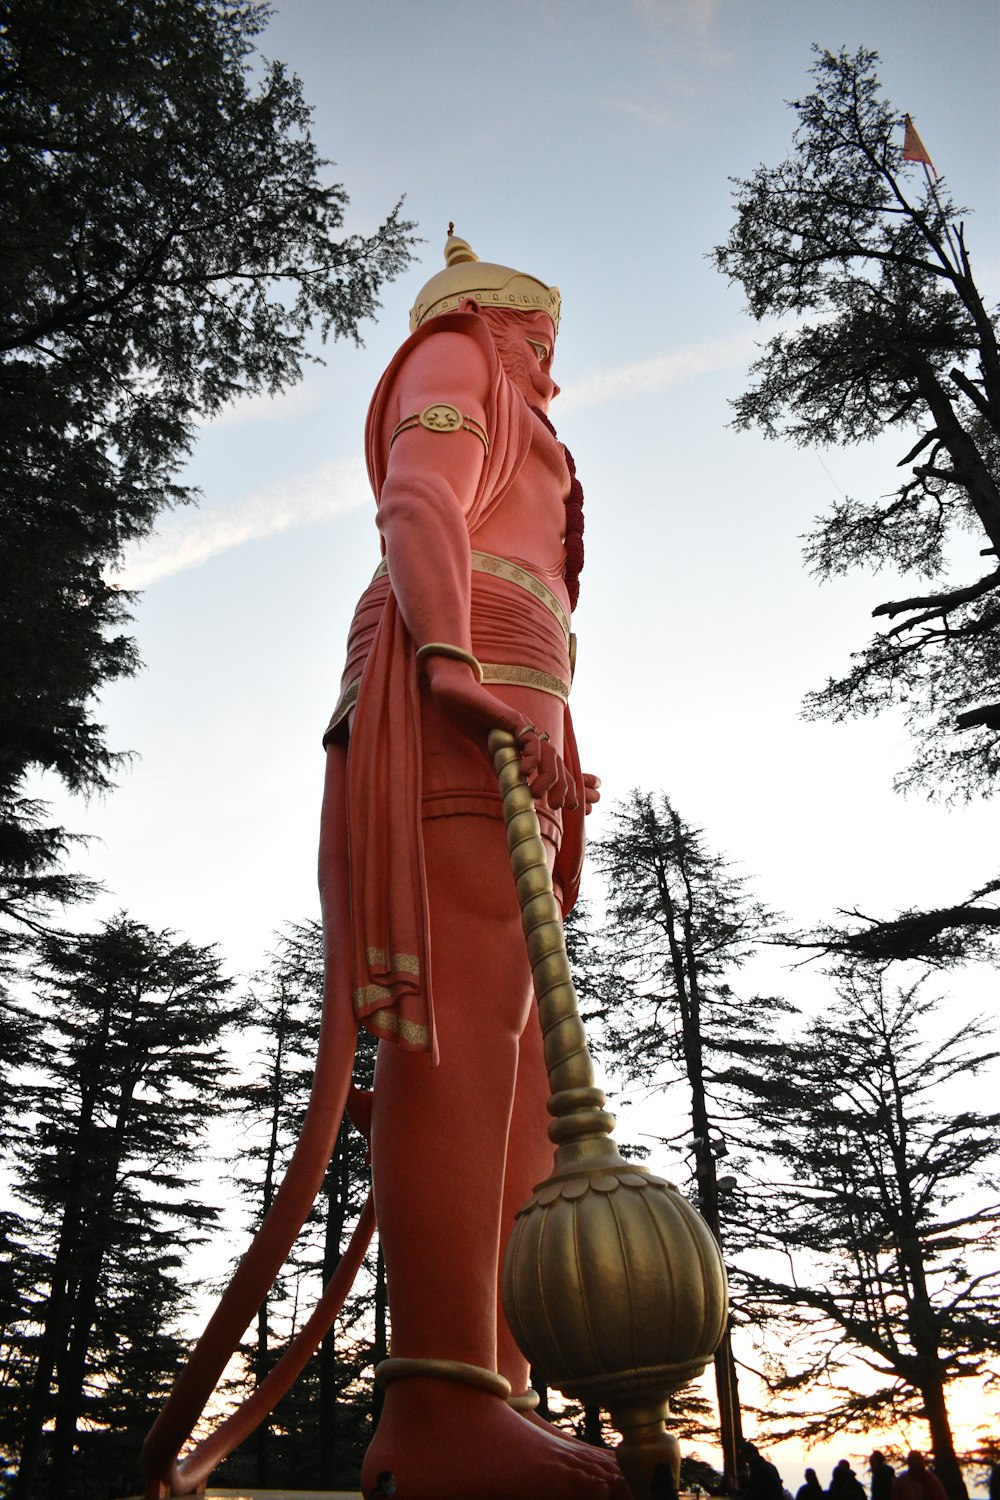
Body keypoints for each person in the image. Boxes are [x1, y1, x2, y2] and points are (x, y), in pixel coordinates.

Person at [317, 231, 618, 1500]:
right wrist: (446, 655)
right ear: (490, 316)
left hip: (516, 718)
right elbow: (419, 501)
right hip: (454, 699)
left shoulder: (530, 421)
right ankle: (439, 1400)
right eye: (535, 334)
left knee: (511, 1066)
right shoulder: (456, 359)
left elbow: (541, 603)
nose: (547, 362)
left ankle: (489, 1388)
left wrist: (566, 769)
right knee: (452, 1029)